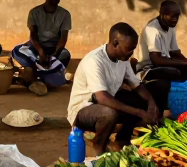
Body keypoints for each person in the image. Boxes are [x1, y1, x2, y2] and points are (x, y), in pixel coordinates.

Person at [67, 23, 163, 157]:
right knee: (109, 113)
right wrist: (140, 112)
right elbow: (102, 98)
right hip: (84, 110)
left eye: (133, 49)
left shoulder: (122, 59)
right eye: (129, 49)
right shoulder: (94, 61)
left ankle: (122, 138)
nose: (131, 53)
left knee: (151, 92)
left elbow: (137, 86)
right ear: (115, 43)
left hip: (107, 102)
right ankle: (99, 145)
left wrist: (151, 104)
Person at [137, 0, 187, 109]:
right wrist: (184, 63)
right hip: (147, 68)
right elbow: (156, 60)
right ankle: (165, 106)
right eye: (172, 16)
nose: (176, 19)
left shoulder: (170, 27)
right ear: (162, 15)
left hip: (163, 63)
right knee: (173, 72)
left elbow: (174, 52)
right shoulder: (152, 30)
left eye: (177, 16)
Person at [11, 0, 72, 96]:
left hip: (54, 49)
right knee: (17, 50)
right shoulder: (34, 12)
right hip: (36, 47)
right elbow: (33, 35)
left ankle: (32, 75)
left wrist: (53, 55)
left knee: (65, 55)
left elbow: (63, 38)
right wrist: (40, 51)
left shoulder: (65, 14)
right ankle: (41, 74)